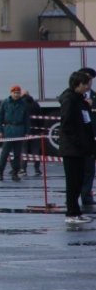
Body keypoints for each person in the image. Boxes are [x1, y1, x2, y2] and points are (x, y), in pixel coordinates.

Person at [58, 70, 94, 224]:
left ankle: (76, 212)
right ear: (76, 84)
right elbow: (67, 126)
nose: (88, 87)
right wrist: (79, 143)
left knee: (79, 181)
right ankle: (71, 213)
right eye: (85, 84)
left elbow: (85, 123)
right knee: (73, 182)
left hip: (82, 148)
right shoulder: (69, 100)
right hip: (72, 150)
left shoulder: (80, 100)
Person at [0, 85, 30, 182]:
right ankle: (0, 172)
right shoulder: (5, 103)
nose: (16, 94)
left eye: (18, 93)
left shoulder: (24, 104)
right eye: (14, 93)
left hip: (19, 130)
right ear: (11, 93)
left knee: (17, 154)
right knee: (4, 153)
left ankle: (15, 173)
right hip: (8, 130)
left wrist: (27, 132)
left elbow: (27, 119)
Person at [79, 68, 96, 205]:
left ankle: (87, 195)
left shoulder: (94, 96)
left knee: (90, 170)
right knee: (79, 170)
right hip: (80, 138)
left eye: (89, 80)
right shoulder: (74, 97)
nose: (87, 83)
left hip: (93, 137)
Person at [20, 90, 42, 177]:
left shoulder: (21, 105)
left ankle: (23, 169)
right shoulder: (35, 104)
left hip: (24, 130)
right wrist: (40, 129)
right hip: (35, 130)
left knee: (24, 149)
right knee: (35, 150)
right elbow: (40, 117)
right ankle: (37, 169)